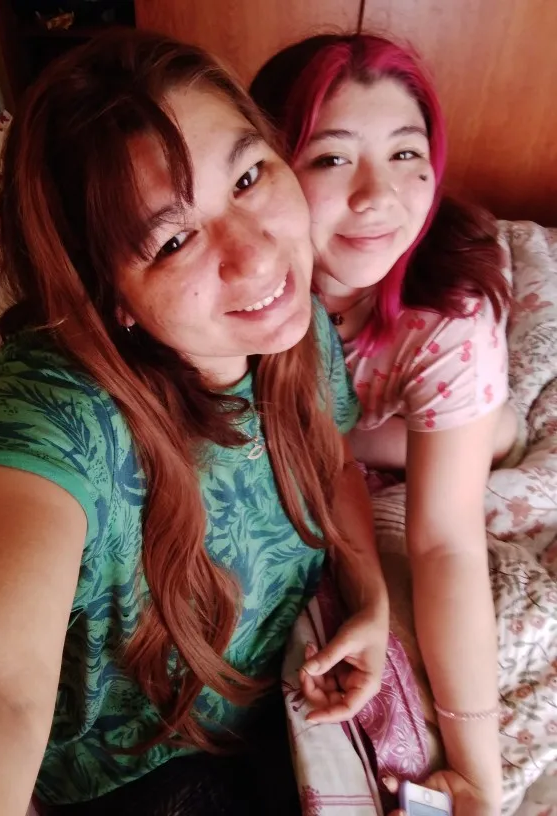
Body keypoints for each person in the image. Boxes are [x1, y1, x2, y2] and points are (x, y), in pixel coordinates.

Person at [0, 30, 391, 816]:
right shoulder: (57, 415)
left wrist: (370, 594)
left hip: (284, 698)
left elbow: (331, 459)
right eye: (174, 240)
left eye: (249, 176)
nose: (257, 256)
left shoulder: (297, 332)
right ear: (109, 294)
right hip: (135, 779)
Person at [251, 33, 517, 816]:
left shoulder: (448, 319)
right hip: (346, 427)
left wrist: (479, 776)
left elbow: (446, 545)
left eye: (406, 154)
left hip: (399, 405)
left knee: (484, 437)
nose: (378, 196)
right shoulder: (241, 285)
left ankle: (490, 429)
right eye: (331, 158)